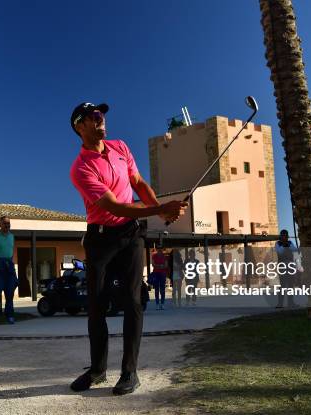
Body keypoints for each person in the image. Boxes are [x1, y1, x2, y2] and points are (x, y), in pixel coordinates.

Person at [69, 102, 187, 395]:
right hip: (100, 239)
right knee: (96, 306)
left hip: (131, 235)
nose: (101, 120)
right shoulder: (80, 168)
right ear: (80, 126)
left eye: (102, 115)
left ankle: (129, 372)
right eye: (95, 117)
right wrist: (159, 209)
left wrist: (160, 210)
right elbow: (115, 206)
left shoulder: (120, 147)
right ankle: (97, 371)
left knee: (132, 302)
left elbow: (139, 183)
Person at [275, 229, 298, 308]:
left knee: (291, 285)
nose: (285, 237)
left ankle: (291, 303)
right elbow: (279, 251)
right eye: (283, 235)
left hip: (290, 265)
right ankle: (280, 303)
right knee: (283, 285)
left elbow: (294, 250)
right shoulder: (278, 243)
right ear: (281, 236)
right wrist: (285, 246)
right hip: (282, 265)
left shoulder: (290, 243)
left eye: (286, 235)